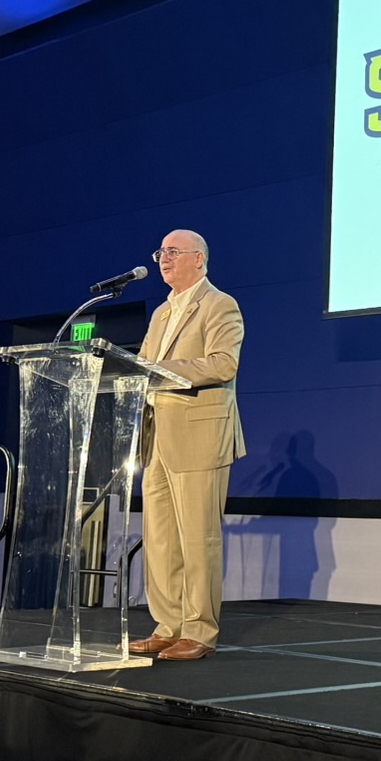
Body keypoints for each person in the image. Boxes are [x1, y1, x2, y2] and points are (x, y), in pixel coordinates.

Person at [133, 229, 245, 662]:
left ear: (199, 259)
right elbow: (140, 365)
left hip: (199, 433)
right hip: (157, 434)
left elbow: (223, 363)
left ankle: (199, 630)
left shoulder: (220, 304)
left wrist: (159, 370)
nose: (164, 258)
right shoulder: (161, 312)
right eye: (161, 251)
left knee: (198, 537)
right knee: (159, 536)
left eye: (173, 252)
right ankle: (169, 624)